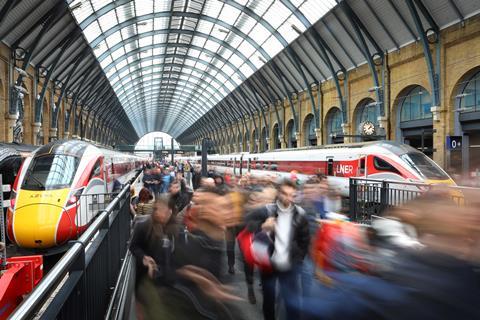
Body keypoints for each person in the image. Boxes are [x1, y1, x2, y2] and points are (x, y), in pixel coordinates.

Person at [245, 179, 310, 320]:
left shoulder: (300, 214)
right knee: (269, 300)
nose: (288, 198)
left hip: (289, 267)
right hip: (269, 265)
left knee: (291, 302)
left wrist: (298, 261)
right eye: (285, 194)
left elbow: (304, 240)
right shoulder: (268, 210)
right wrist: (262, 226)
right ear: (279, 193)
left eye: (292, 195)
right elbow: (248, 221)